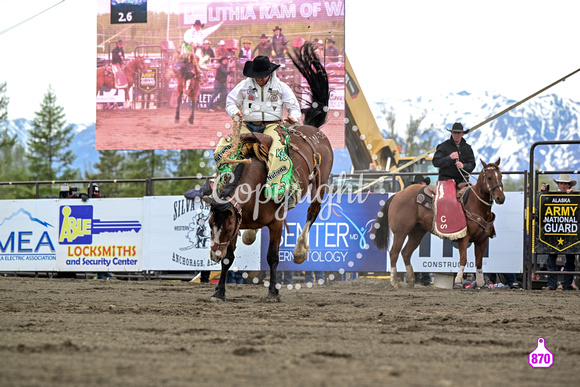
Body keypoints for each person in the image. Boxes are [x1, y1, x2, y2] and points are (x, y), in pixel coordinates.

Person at [213, 56, 301, 208]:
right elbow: (231, 102)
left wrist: (294, 117)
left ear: (269, 73)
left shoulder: (280, 86)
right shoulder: (244, 85)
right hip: (247, 124)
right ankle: (223, 185)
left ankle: (279, 191)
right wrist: (235, 113)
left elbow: (294, 107)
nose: (259, 79)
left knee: (277, 150)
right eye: (256, 76)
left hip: (272, 126)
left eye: (262, 76)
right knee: (225, 149)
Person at [541, 174, 578, 291]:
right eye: (561, 183)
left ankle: (567, 285)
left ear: (569, 185)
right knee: (551, 256)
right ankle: (552, 284)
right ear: (558, 184)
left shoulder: (574, 196)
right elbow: (542, 206)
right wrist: (543, 193)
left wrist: (573, 195)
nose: (563, 185)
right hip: (555, 230)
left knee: (570, 259)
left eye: (565, 183)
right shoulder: (551, 195)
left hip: (569, 231)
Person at [411, 174, 432, 286]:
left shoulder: (432, 195)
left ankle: (424, 275)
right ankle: (419, 275)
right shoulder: (411, 198)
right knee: (417, 250)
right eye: (417, 184)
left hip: (426, 225)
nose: (419, 186)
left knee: (423, 249)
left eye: (421, 183)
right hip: (419, 226)